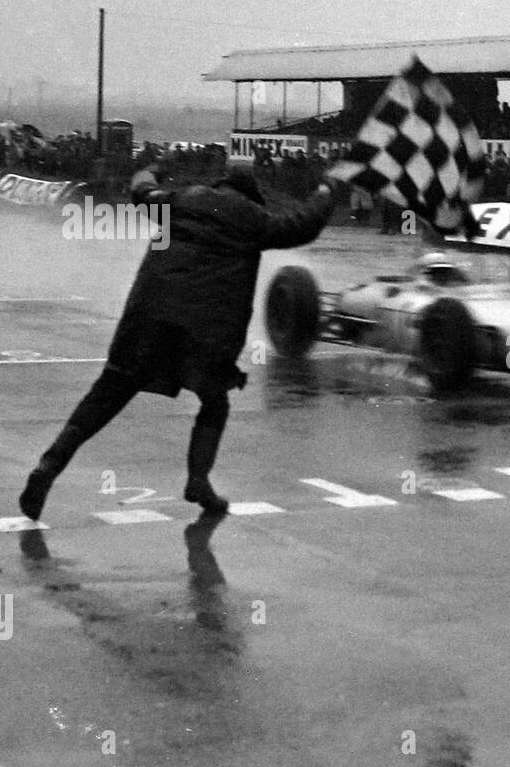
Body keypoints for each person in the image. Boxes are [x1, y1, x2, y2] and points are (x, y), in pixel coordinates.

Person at [18, 167, 337, 521]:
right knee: (214, 403)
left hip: (147, 321)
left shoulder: (180, 201)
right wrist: (324, 192)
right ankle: (198, 481)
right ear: (250, 197)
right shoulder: (254, 220)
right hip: (204, 336)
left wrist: (149, 171)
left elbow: (141, 192)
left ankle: (49, 465)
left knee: (105, 396)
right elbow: (303, 226)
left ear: (220, 185)